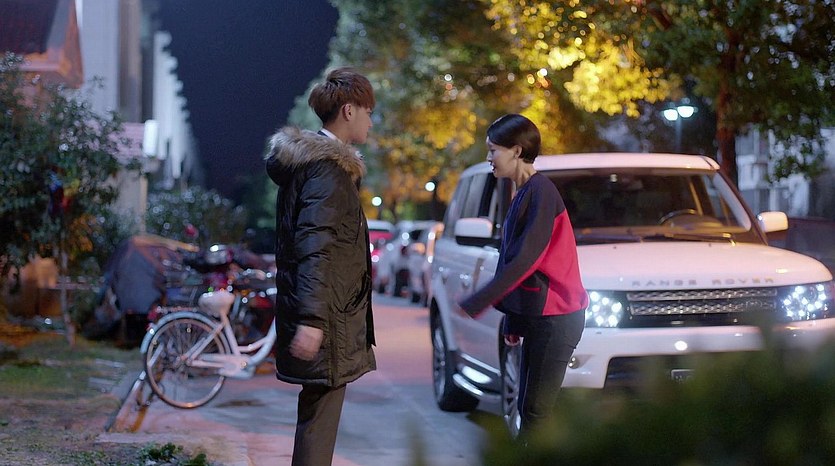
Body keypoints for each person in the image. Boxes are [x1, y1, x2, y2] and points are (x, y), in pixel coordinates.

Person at [264, 67, 377, 466]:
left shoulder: (315, 166)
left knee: (317, 418)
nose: (370, 121)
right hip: (327, 318)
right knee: (319, 422)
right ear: (348, 111)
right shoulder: (327, 170)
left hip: (328, 314)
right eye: (368, 112)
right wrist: (312, 321)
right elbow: (315, 245)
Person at [458, 113, 588, 438]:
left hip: (558, 318)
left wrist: (478, 301)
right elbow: (511, 259)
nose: (489, 158)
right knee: (527, 408)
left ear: (516, 151)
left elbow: (526, 259)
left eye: (493, 150)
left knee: (536, 412)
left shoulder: (541, 193)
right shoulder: (524, 192)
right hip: (541, 316)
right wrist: (513, 322)